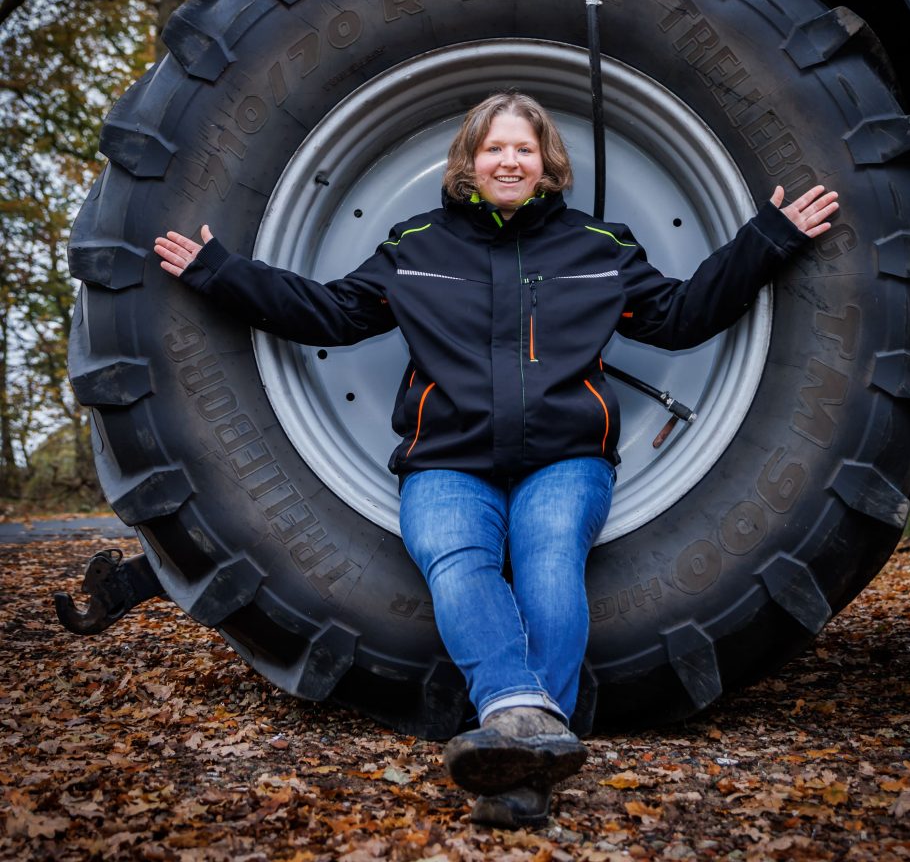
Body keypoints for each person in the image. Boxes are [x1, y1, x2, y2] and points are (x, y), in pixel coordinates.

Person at [154, 91, 839, 829]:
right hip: (448, 457)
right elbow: (331, 312)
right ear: (469, 162)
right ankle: (523, 720)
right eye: (493, 148)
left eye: (523, 148)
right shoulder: (416, 245)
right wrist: (220, 273)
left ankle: (517, 745)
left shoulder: (598, 246)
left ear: (547, 163)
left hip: (566, 456)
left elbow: (681, 316)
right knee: (455, 557)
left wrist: (766, 240)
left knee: (549, 555)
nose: (508, 161)